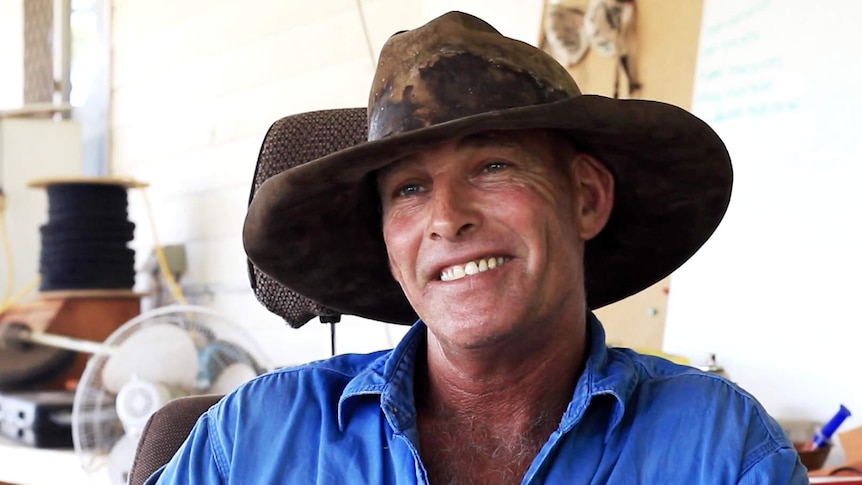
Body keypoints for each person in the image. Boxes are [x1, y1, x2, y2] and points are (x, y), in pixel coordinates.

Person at [148, 11, 807, 484]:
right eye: (408, 188)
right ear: (386, 238)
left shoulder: (719, 450)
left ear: (585, 197)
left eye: (492, 166)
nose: (447, 218)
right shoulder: (254, 438)